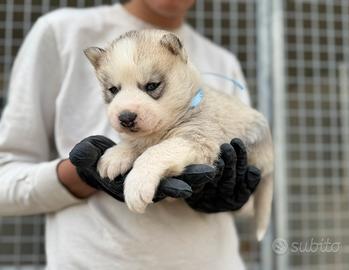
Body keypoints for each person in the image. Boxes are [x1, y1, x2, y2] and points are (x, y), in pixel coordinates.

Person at [0, 1, 261, 269]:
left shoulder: (222, 62)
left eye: (151, 86)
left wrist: (228, 197)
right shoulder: (62, 33)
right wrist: (78, 176)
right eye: (113, 90)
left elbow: (251, 199)